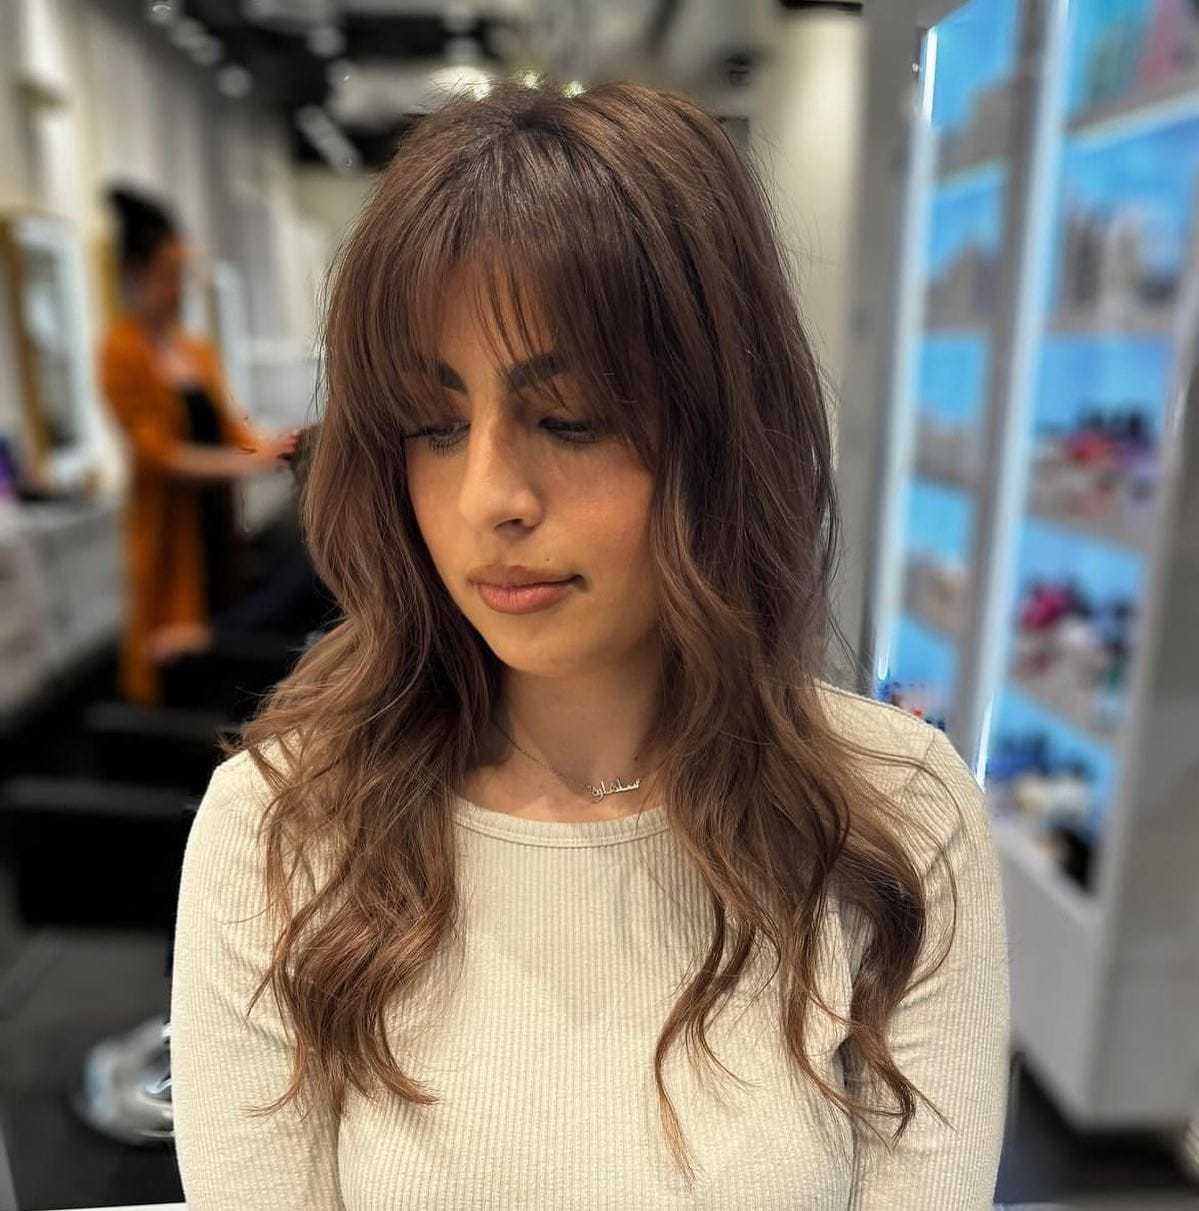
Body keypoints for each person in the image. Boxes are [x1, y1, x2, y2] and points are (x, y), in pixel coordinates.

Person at [168, 78, 1010, 1209]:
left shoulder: (898, 817)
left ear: (723, 431)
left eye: (569, 418)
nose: (490, 496)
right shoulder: (282, 829)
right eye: (434, 423)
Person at [98, 185, 298, 707]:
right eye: (168, 273)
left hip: (215, 521)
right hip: (168, 530)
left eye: (181, 272)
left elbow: (232, 426)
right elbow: (158, 455)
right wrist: (247, 463)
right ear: (137, 275)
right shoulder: (120, 352)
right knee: (170, 643)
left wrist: (273, 446)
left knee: (220, 622)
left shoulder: (197, 350)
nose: (178, 286)